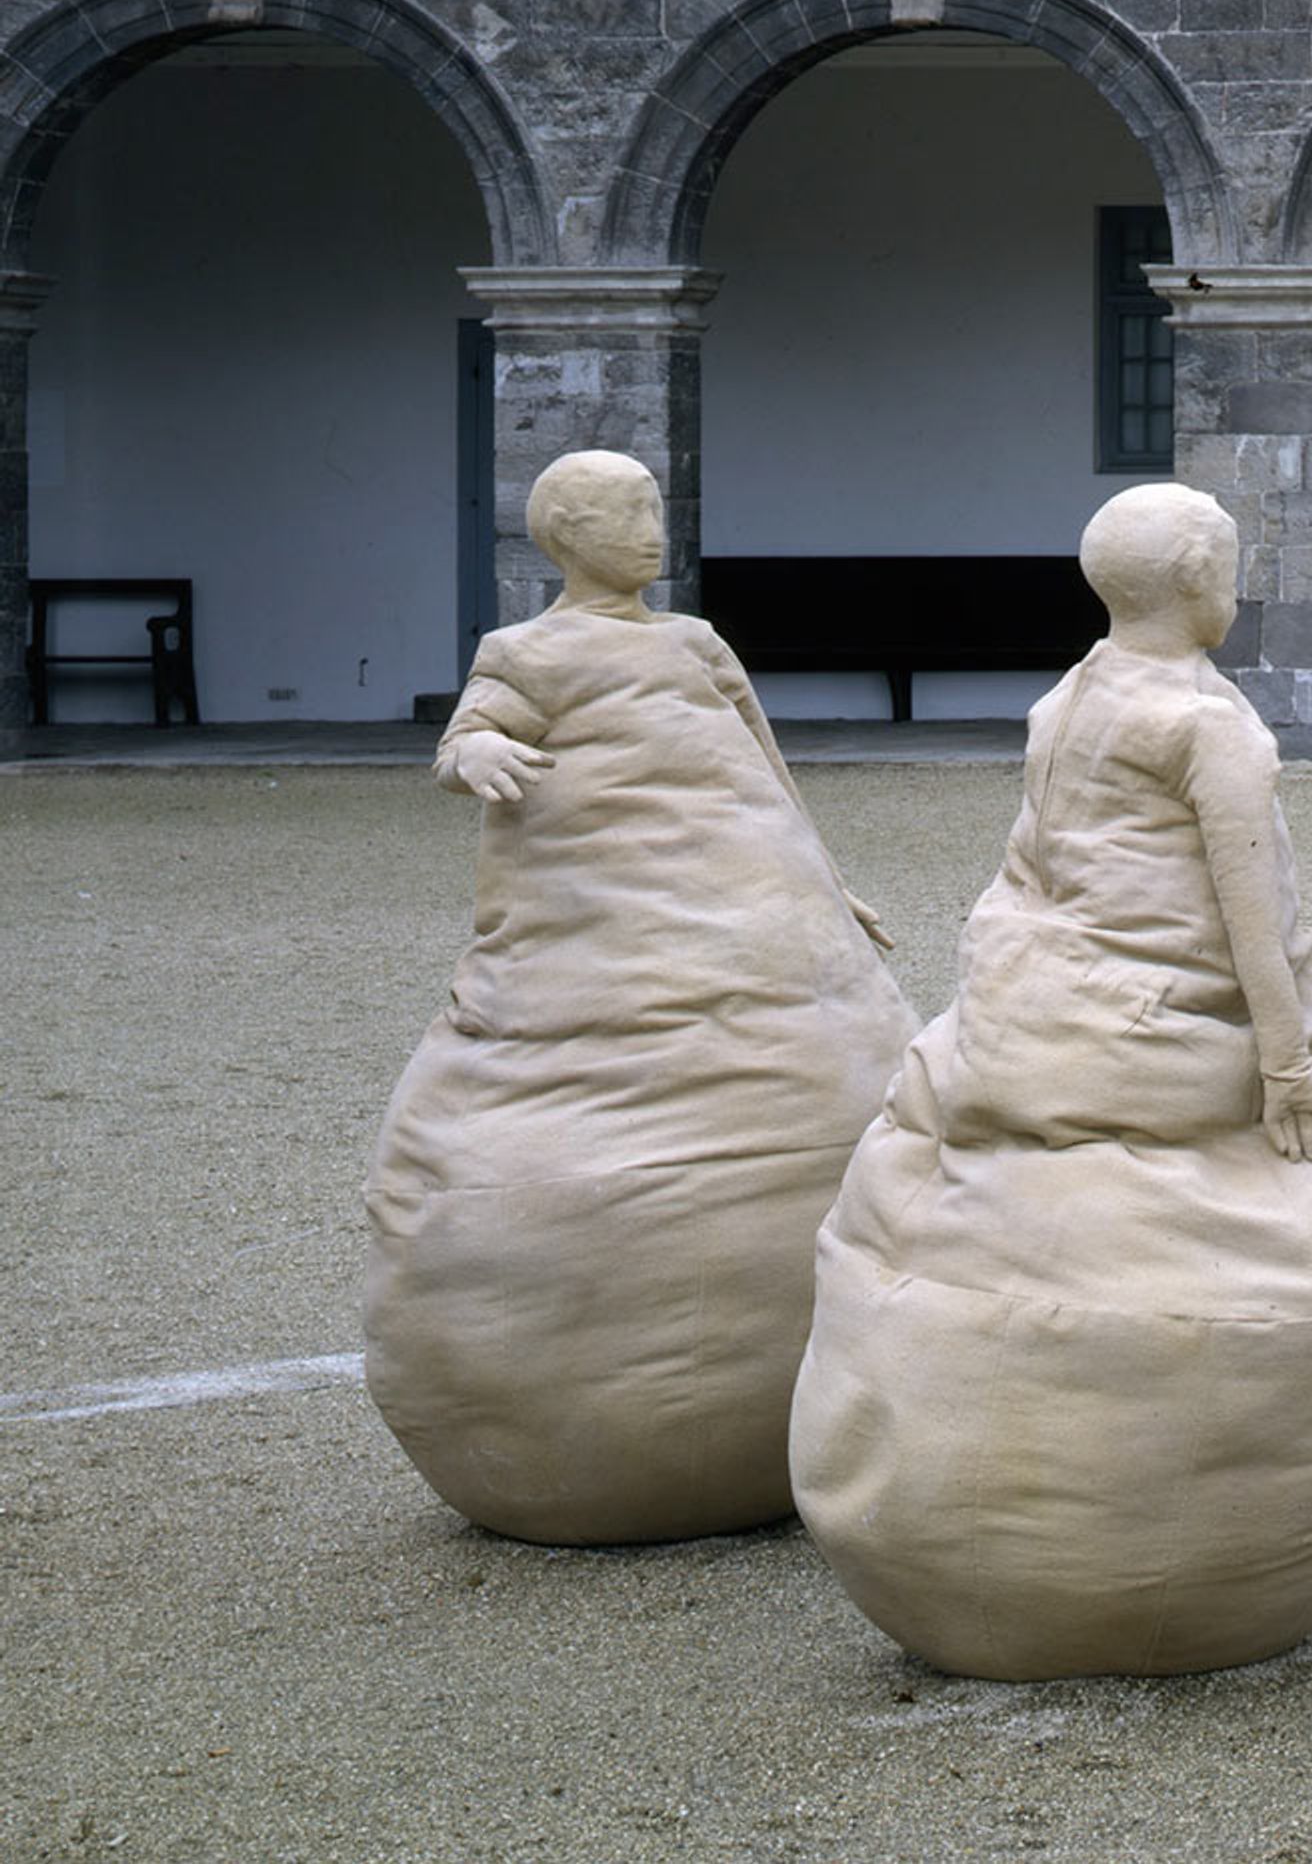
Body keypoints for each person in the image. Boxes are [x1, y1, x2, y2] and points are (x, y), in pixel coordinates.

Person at [791, 483, 1312, 1679]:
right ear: (1199, 580)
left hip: (1041, 1009)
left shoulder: (1067, 695)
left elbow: (1030, 868)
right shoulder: (1210, 724)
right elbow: (1253, 907)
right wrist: (1288, 1060)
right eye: (1232, 566)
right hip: (1166, 1014)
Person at [365, 448, 911, 1545]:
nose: (652, 527)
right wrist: (475, 759)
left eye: (654, 505)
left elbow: (763, 767)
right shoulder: (525, 650)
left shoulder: (697, 642)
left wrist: (823, 875)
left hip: (756, 919)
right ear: (567, 533)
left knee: (844, 1094)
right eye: (626, 511)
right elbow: (471, 729)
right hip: (596, 925)